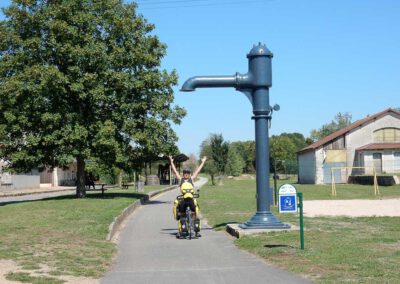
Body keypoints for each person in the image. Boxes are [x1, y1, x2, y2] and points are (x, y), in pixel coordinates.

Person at [169, 156, 207, 238]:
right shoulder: (181, 179)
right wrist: (171, 162)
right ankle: (182, 229)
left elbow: (197, 171)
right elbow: (175, 171)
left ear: (189, 174)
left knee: (195, 212)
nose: (186, 174)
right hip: (183, 199)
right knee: (181, 214)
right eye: (185, 173)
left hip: (191, 199)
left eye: (188, 173)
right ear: (183, 174)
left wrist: (203, 162)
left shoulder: (191, 179)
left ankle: (196, 229)